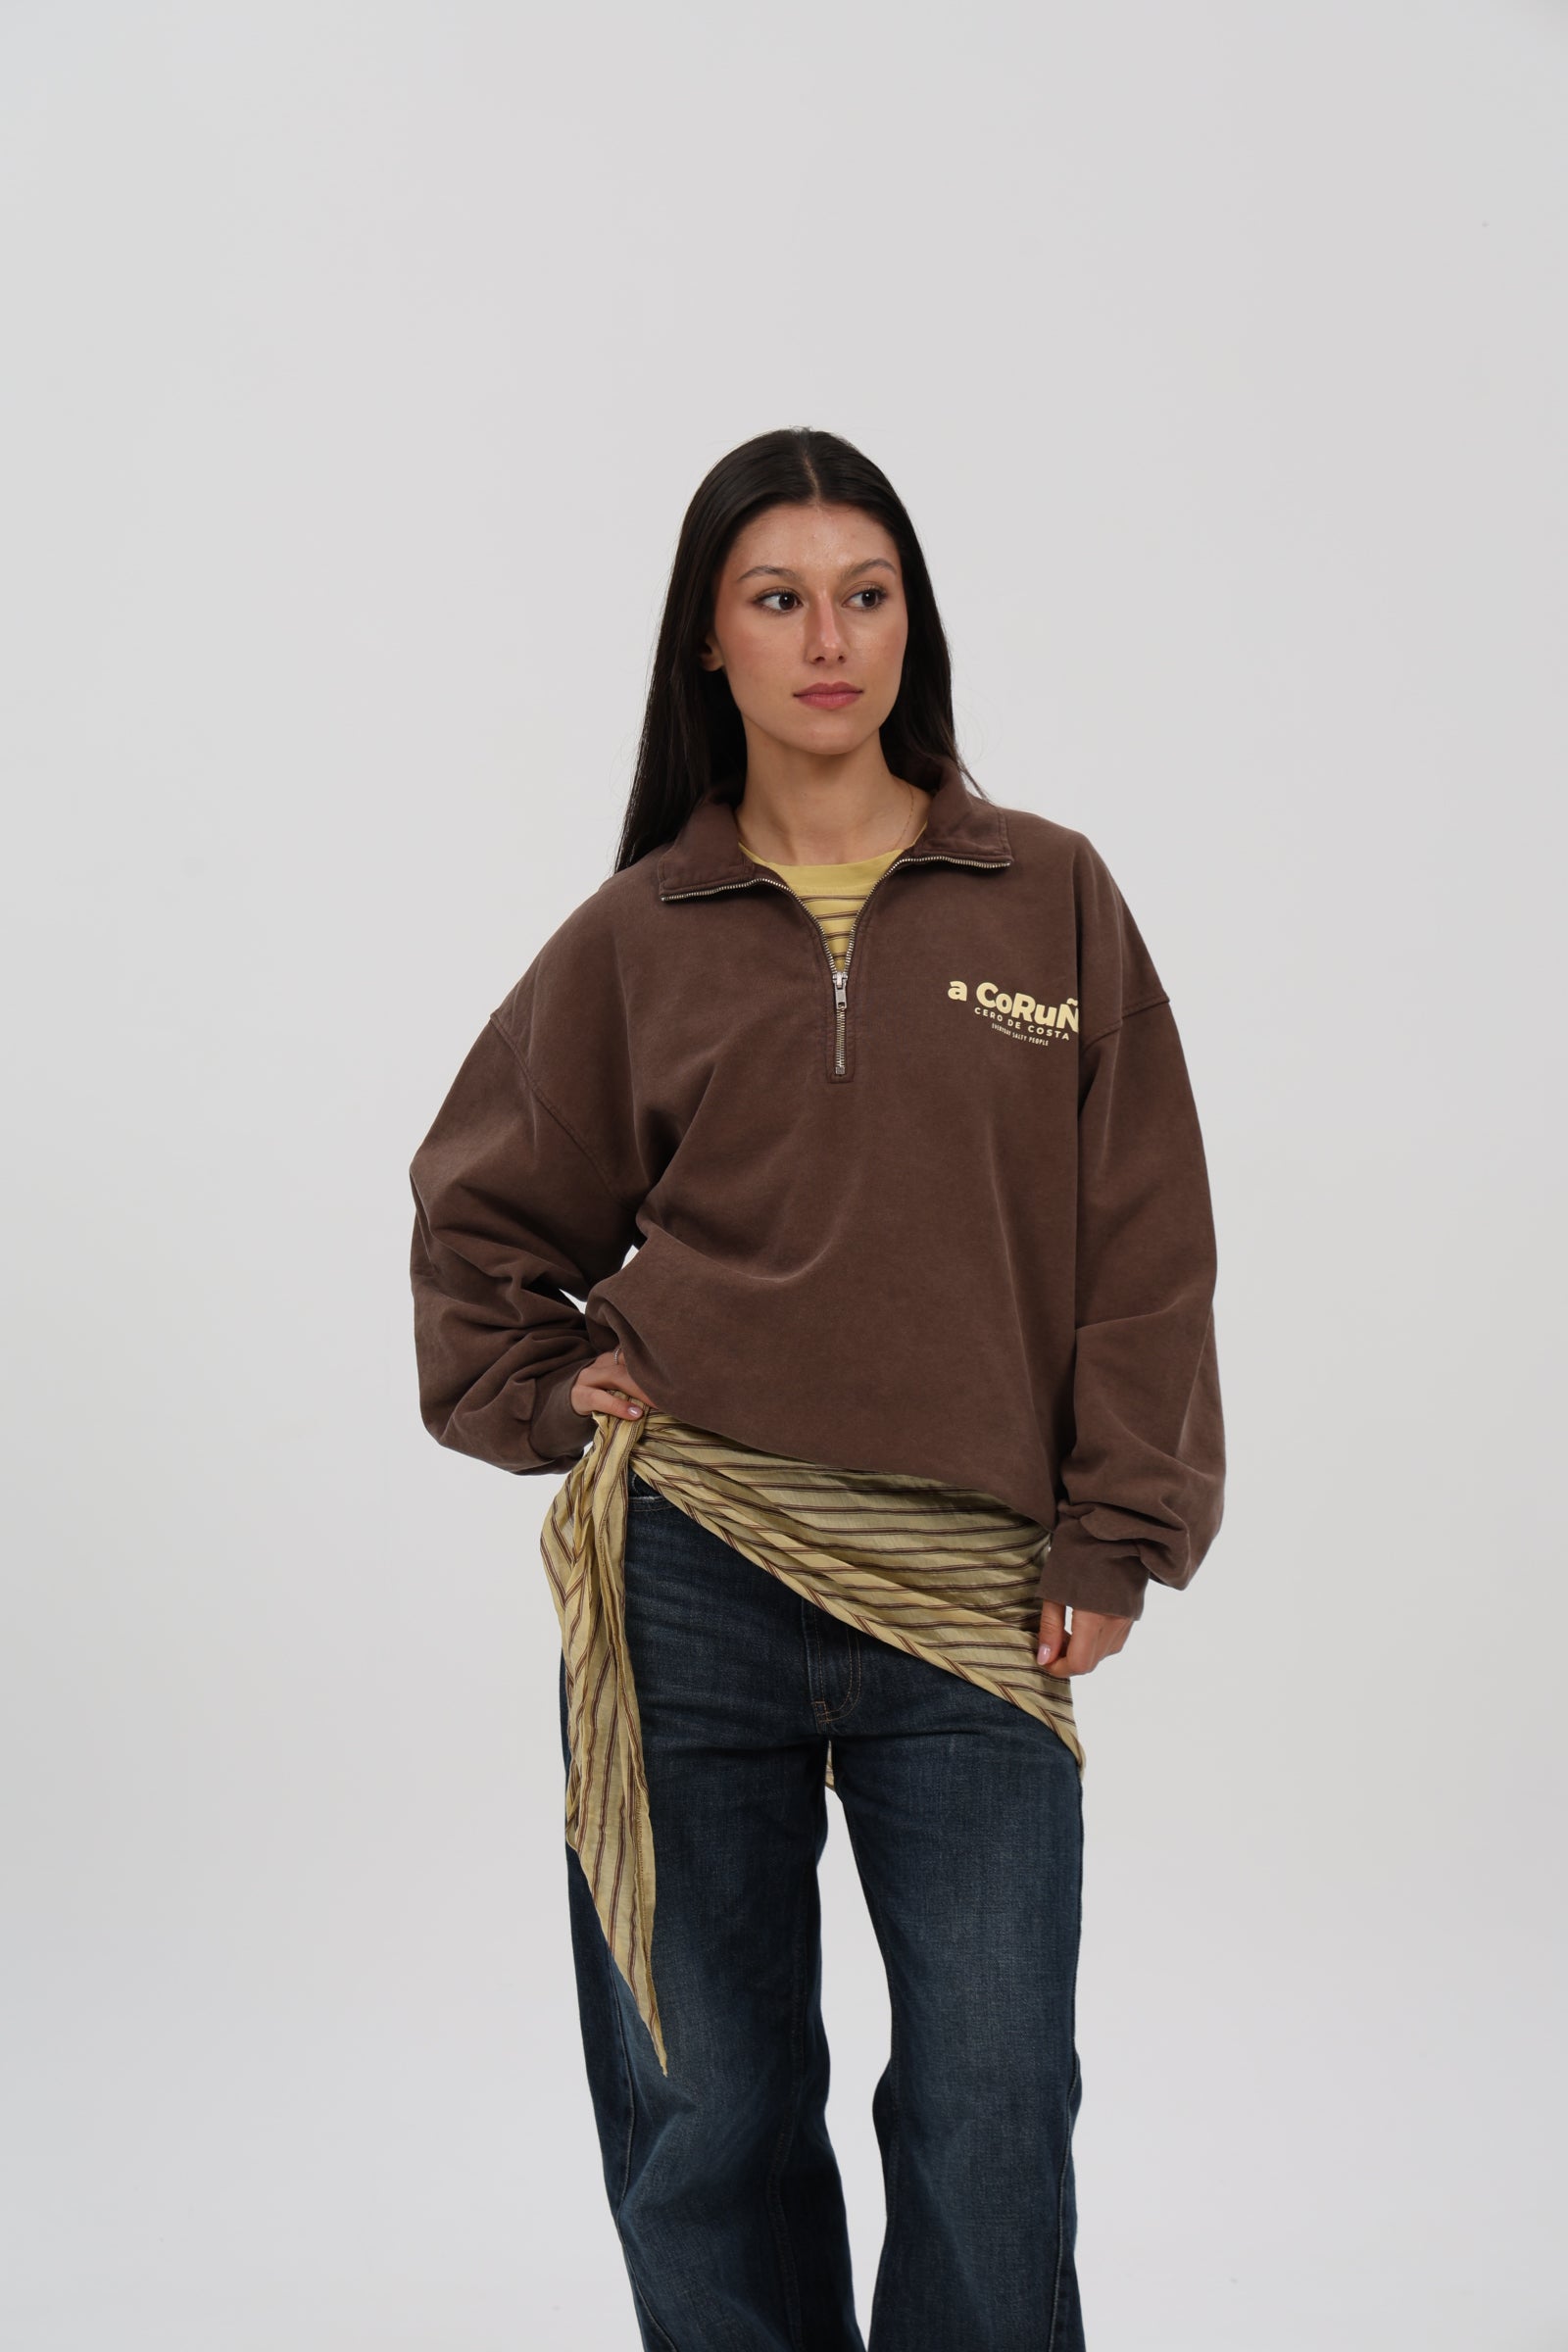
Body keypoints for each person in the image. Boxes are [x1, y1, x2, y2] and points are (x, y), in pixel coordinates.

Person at [407, 425, 1225, 2351]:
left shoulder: (1047, 897)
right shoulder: (637, 935)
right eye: (778, 599)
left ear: (910, 622)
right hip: (691, 1578)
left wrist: (1114, 1525)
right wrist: (550, 1393)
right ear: (712, 638)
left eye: (866, 595)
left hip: (971, 1602)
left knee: (992, 2115)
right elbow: (476, 1216)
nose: (829, 639)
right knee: (708, 2112)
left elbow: (1143, 1240)